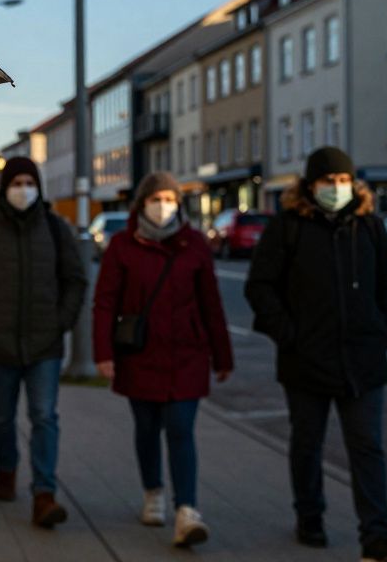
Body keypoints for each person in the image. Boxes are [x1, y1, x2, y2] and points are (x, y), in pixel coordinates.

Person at [245, 147, 387, 562]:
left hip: (363, 359)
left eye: (342, 180)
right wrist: (288, 333)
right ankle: (309, 516)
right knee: (307, 444)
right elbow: (260, 286)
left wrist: (383, 330)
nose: (336, 188)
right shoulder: (289, 228)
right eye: (327, 181)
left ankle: (378, 536)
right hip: (306, 359)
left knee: (367, 446)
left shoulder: (369, 227)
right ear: (309, 185)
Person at [92, 171, 233, 548]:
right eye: (157, 198)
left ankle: (187, 509)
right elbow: (105, 302)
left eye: (170, 199)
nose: (163, 205)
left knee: (180, 428)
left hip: (186, 354)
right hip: (139, 353)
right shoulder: (123, 245)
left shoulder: (195, 245)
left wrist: (222, 354)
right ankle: (153, 490)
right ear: (143, 204)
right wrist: (103, 353)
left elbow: (211, 304)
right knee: (147, 427)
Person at [0, 157, 87, 529]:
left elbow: (76, 280)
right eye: (17, 182)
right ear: (4, 188)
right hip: (0, 343)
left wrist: (61, 322)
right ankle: (6, 469)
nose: (23, 189)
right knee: (1, 415)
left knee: (44, 416)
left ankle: (44, 493)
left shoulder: (57, 229)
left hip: (45, 343)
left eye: (30, 182)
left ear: (39, 187)